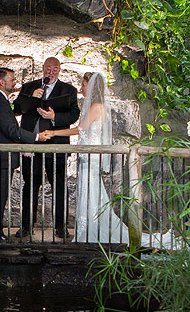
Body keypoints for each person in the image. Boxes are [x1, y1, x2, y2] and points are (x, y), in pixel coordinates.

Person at [43, 73, 174, 248]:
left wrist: (53, 132)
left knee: (90, 191)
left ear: (91, 87)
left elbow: (79, 130)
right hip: (88, 154)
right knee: (90, 191)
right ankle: (89, 228)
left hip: (91, 154)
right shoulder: (96, 106)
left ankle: (90, 230)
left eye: (83, 85)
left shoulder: (96, 106)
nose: (81, 88)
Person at [13, 57, 80, 238]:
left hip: (56, 146)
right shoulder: (29, 87)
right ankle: (26, 225)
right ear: (43, 69)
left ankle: (60, 226)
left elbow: (74, 114)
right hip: (32, 144)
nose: (51, 71)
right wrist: (30, 98)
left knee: (59, 186)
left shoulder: (69, 90)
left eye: (55, 68)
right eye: (48, 68)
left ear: (59, 70)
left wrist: (54, 116)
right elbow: (16, 109)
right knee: (30, 185)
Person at [0, 67, 39, 240]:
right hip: (2, 157)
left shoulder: (2, 100)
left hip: (5, 157)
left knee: (1, 195)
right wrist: (36, 136)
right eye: (12, 79)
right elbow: (11, 130)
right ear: (2, 82)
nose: (15, 82)